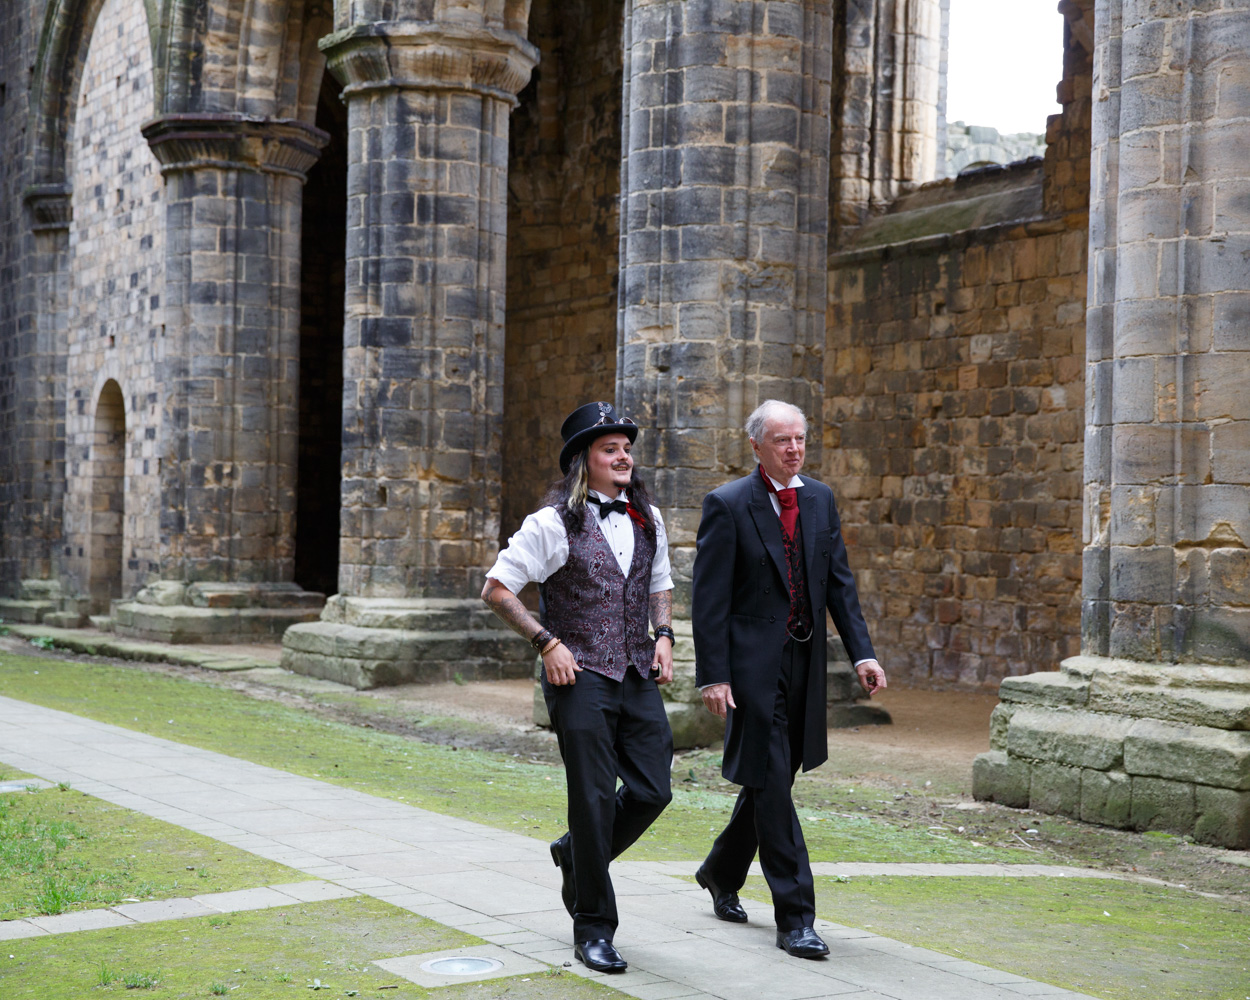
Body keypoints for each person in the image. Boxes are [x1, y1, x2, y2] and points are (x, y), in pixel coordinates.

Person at [481, 401, 675, 974]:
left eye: (626, 449)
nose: (624, 457)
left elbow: (659, 581)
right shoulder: (550, 524)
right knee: (591, 799)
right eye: (610, 449)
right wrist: (547, 641)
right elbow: (497, 589)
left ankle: (573, 853)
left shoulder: (649, 518)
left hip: (636, 670)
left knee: (652, 789)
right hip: (577, 674)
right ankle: (593, 926)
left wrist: (663, 634)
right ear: (582, 462)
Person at [691, 399, 887, 959]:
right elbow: (709, 602)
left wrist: (862, 655)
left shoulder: (821, 499)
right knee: (773, 781)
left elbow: (839, 586)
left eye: (800, 439)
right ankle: (796, 917)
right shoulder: (727, 505)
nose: (794, 448)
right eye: (782, 440)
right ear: (756, 446)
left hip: (804, 663)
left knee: (774, 776)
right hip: (753, 667)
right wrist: (714, 676)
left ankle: (720, 871)